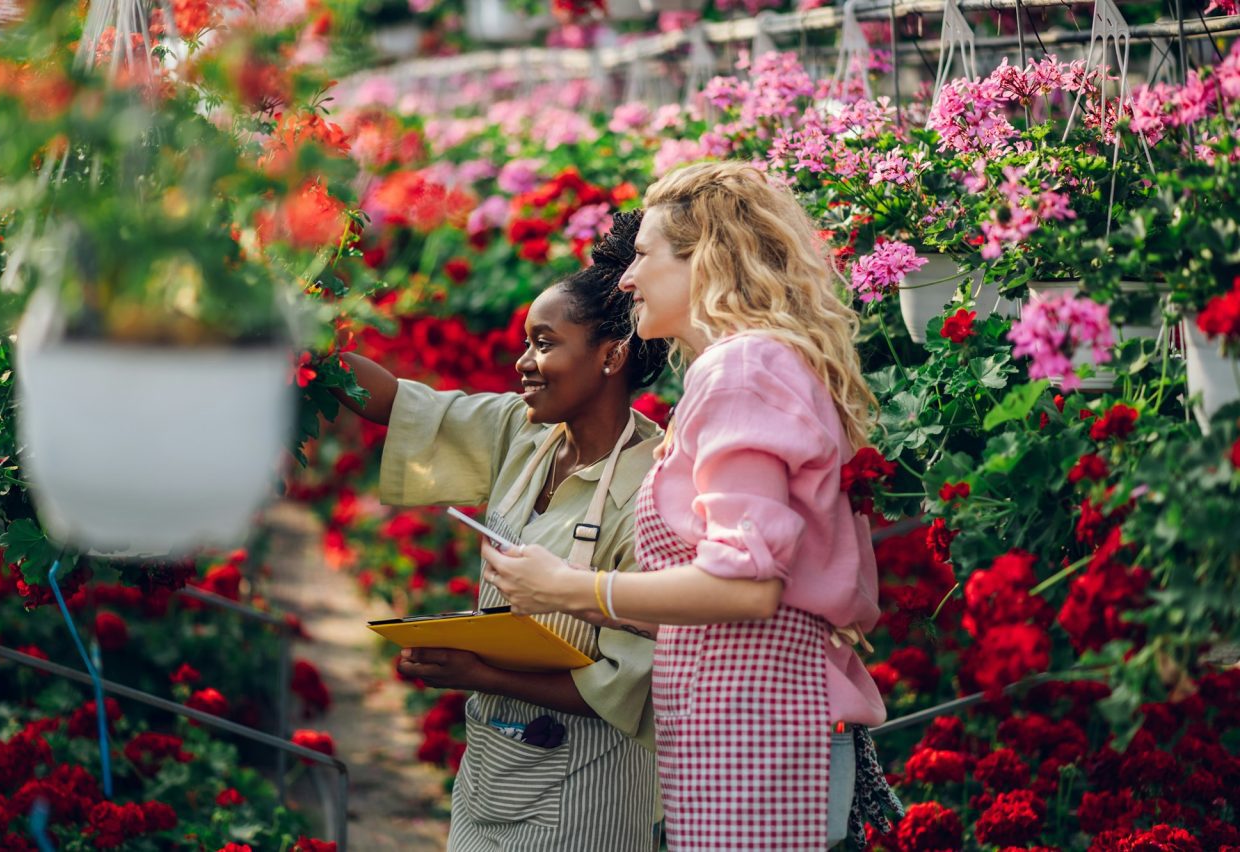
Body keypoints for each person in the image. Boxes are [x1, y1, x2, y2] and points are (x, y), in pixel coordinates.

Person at [484, 161, 903, 850]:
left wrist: (572, 588)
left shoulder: (740, 369)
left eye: (644, 256)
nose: (625, 279)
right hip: (746, 724)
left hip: (756, 723)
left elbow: (747, 585)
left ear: (703, 259)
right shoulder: (757, 364)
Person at [335, 211, 671, 851]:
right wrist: (308, 347)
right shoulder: (525, 432)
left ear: (611, 355)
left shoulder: (652, 488)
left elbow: (629, 686)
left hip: (588, 792)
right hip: (494, 765)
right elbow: (400, 403)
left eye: (544, 343)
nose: (524, 362)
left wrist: (476, 669)